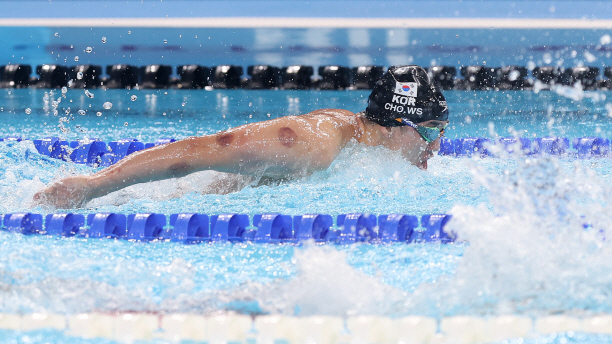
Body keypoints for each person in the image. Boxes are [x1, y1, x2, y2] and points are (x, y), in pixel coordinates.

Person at [33, 65, 449, 209]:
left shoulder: (358, 143)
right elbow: (208, 150)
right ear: (396, 123)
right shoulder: (315, 143)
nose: (436, 146)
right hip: (167, 203)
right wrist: (95, 185)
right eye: (430, 131)